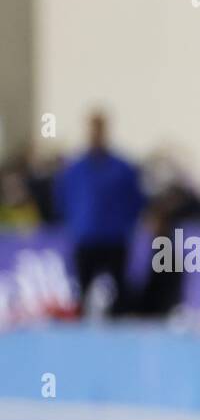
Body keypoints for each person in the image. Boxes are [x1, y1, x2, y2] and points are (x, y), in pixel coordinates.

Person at [55, 110, 145, 315]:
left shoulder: (123, 168)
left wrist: (125, 226)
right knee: (82, 294)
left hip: (114, 240)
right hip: (85, 239)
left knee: (119, 295)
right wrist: (77, 225)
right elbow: (62, 201)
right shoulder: (74, 170)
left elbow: (136, 201)